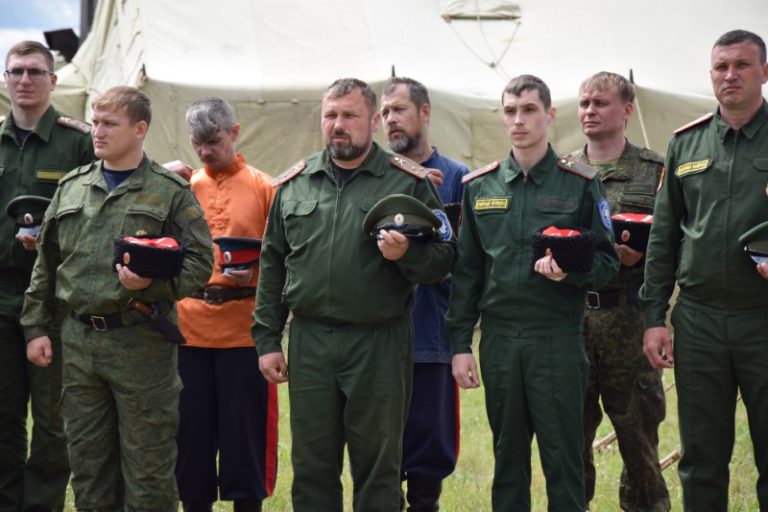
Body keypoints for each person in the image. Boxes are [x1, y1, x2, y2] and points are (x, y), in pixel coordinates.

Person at [253, 78, 454, 512]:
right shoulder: (296, 183)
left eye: (349, 115)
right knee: (311, 466)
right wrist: (267, 339)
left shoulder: (408, 181)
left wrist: (406, 255)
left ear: (374, 121)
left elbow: (443, 260)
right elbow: (273, 264)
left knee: (378, 465)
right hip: (310, 341)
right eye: (330, 115)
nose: (338, 124)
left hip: (378, 342)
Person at [21, 85, 213, 511]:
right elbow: (46, 265)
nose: (98, 132)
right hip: (79, 344)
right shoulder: (72, 187)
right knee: (89, 470)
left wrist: (151, 287)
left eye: (109, 123)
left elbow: (201, 263)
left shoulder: (169, 191)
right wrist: (36, 327)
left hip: (141, 345)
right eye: (95, 122)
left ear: (140, 129)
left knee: (148, 472)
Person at [446, 74, 620, 512]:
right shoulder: (480, 186)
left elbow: (607, 263)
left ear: (549, 114)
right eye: (510, 111)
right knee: (507, 458)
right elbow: (467, 273)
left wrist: (569, 273)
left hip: (556, 338)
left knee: (564, 460)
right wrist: (460, 345)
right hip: (500, 341)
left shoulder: (579, 182)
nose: (518, 120)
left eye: (528, 110)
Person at [640, 29, 768, 511]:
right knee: (701, 457)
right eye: (721, 67)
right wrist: (654, 316)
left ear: (765, 72)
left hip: (763, 318)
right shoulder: (685, 143)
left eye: (742, 65)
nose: (730, 75)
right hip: (699, 321)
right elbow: (664, 236)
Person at [568, 72, 670, 512]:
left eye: (600, 103)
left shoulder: (655, 169)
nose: (589, 111)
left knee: (640, 442)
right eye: (584, 103)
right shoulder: (563, 171)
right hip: (574, 321)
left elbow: (674, 243)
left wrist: (642, 257)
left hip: (630, 320)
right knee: (570, 438)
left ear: (627, 110)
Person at [0, 40, 93, 511]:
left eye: (35, 71)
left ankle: (42, 506)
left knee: (54, 423)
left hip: (55, 301)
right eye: (16, 71)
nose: (25, 80)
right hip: (0, 297)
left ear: (53, 81)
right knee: (2, 418)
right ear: (5, 79)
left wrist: (55, 242)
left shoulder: (79, 142)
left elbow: (100, 214)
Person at [173, 97, 277, 512]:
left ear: (234, 133)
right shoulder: (182, 187)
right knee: (190, 440)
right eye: (197, 143)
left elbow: (283, 257)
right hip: (188, 333)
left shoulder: (265, 187)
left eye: (213, 142)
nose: (205, 152)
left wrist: (255, 273)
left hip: (244, 334)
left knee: (245, 440)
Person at [380, 76, 467, 512]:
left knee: (429, 449)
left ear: (425, 112)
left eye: (399, 109)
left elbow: (467, 261)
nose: (390, 120)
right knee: (380, 447)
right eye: (384, 113)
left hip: (432, 333)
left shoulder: (457, 179)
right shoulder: (371, 176)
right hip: (377, 338)